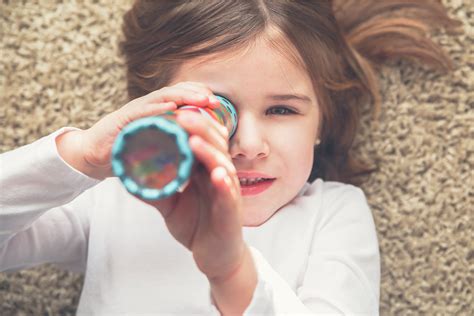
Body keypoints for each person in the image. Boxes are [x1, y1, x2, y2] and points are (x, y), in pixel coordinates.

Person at [0, 1, 458, 314]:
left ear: (323, 121)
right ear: (156, 107)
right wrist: (81, 156)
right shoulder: (115, 197)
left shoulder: (332, 213)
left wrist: (231, 270)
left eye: (282, 109)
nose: (248, 144)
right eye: (217, 112)